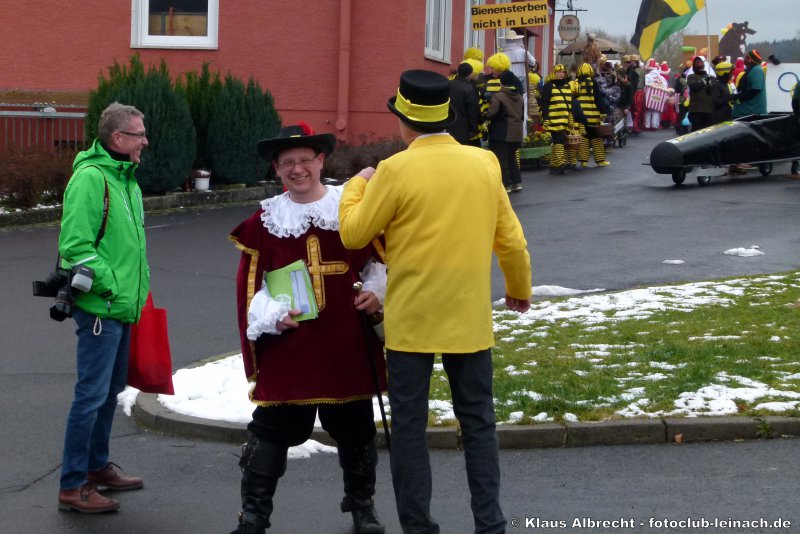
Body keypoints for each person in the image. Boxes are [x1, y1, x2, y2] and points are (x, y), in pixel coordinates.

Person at [338, 69, 532, 534]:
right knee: (479, 423)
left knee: (409, 428)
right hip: (468, 317)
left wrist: (356, 187)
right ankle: (490, 522)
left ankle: (418, 526)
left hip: (412, 321)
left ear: (404, 119)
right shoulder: (484, 163)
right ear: (445, 115)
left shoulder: (395, 169)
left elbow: (354, 233)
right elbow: (510, 240)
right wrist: (518, 287)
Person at [228, 122, 388, 534]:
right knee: (270, 430)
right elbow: (251, 288)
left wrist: (376, 291)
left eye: (304, 160)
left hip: (345, 341)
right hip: (291, 346)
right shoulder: (266, 221)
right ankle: (253, 517)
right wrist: (271, 314)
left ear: (321, 161)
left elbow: (380, 261)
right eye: (287, 163)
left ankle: (362, 507)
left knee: (356, 429)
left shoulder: (350, 208)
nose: (297, 169)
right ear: (276, 169)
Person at [57, 102, 150, 513]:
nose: (145, 141)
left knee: (109, 392)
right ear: (118, 138)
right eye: (139, 134)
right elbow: (75, 246)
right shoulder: (91, 178)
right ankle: (72, 485)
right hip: (101, 307)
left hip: (121, 306)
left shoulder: (126, 178)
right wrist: (111, 288)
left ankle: (96, 467)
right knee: (90, 396)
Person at [487, 70, 525, 192]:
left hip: (502, 132)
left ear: (501, 82)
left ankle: (505, 184)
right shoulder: (519, 97)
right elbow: (522, 115)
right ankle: (516, 182)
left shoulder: (499, 96)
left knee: (501, 159)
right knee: (512, 158)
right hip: (516, 133)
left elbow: (491, 113)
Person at [575, 62, 610, 167]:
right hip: (593, 115)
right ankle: (600, 161)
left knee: (584, 138)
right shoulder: (592, 82)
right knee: (596, 138)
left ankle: (583, 161)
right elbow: (598, 98)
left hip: (580, 115)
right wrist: (602, 112)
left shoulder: (576, 82)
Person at [541, 64, 574, 174]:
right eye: (558, 72)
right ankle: (560, 162)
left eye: (563, 72)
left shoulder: (567, 86)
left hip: (564, 118)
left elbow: (569, 104)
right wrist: (546, 118)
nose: (561, 74)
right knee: (558, 139)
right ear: (554, 73)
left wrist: (570, 117)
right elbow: (544, 103)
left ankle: (554, 164)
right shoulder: (549, 86)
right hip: (553, 119)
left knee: (559, 140)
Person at [448, 62, 481, 147]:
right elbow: (472, 111)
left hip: (447, 127)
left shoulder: (448, 84)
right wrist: (473, 130)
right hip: (462, 130)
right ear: (470, 73)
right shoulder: (469, 88)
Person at [733, 49, 767, 118]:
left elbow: (756, 89)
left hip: (752, 112)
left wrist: (740, 98)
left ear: (751, 60)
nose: (744, 59)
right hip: (746, 111)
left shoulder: (757, 70)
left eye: (746, 57)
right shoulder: (749, 70)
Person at [687, 55, 714, 131]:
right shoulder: (691, 76)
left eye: (700, 61)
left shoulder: (711, 77)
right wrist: (704, 82)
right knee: (696, 131)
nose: (698, 62)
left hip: (709, 110)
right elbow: (693, 86)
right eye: (696, 62)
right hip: (696, 110)